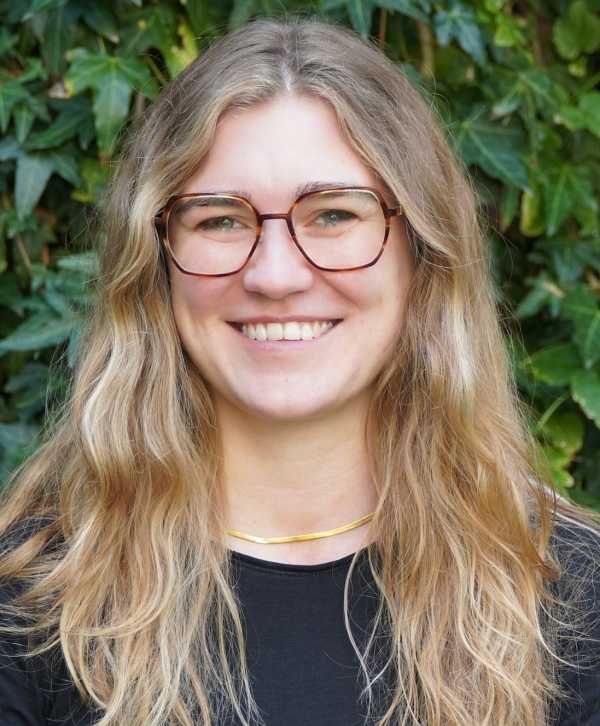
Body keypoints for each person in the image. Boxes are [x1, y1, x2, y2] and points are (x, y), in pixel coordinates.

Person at [0, 18, 598, 726]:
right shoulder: (32, 599)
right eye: (220, 220)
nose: (275, 275)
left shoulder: (567, 592)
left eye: (334, 214)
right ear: (154, 260)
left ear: (422, 256)